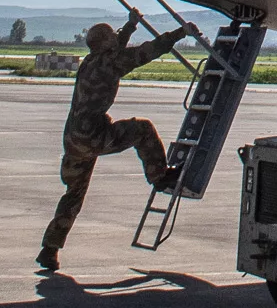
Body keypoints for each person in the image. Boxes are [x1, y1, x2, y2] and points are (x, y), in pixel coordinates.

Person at [36, 16, 195, 271]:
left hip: (73, 138)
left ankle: (49, 249)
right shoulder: (111, 61)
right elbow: (147, 52)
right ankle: (159, 176)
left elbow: (115, 48)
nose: (114, 37)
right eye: (111, 35)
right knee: (143, 129)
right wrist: (179, 33)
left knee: (73, 195)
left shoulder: (90, 61)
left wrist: (130, 26)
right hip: (93, 135)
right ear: (105, 42)